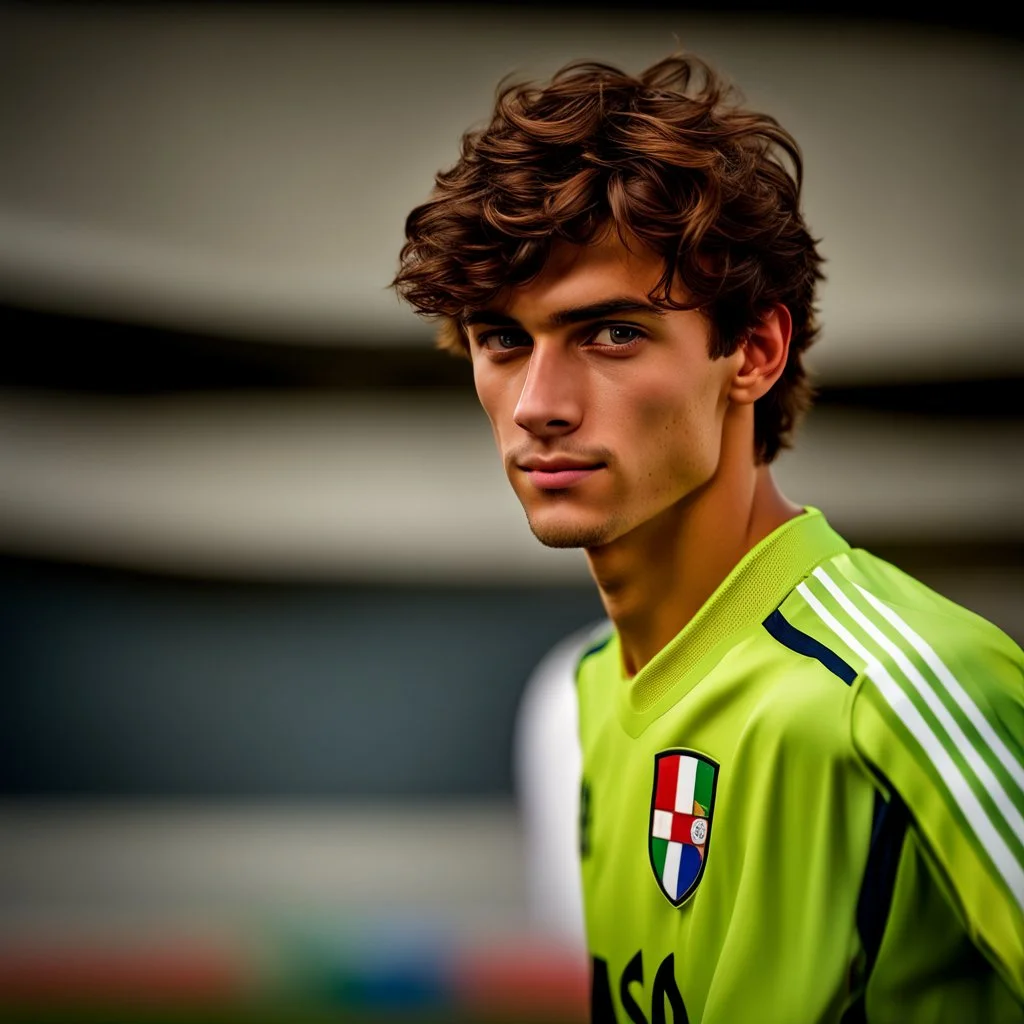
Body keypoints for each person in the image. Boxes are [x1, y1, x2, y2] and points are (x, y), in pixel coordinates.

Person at [392, 53, 1024, 1023]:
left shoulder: (905, 690)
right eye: (501, 339)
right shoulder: (590, 696)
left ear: (754, 352)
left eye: (609, 333)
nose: (537, 406)